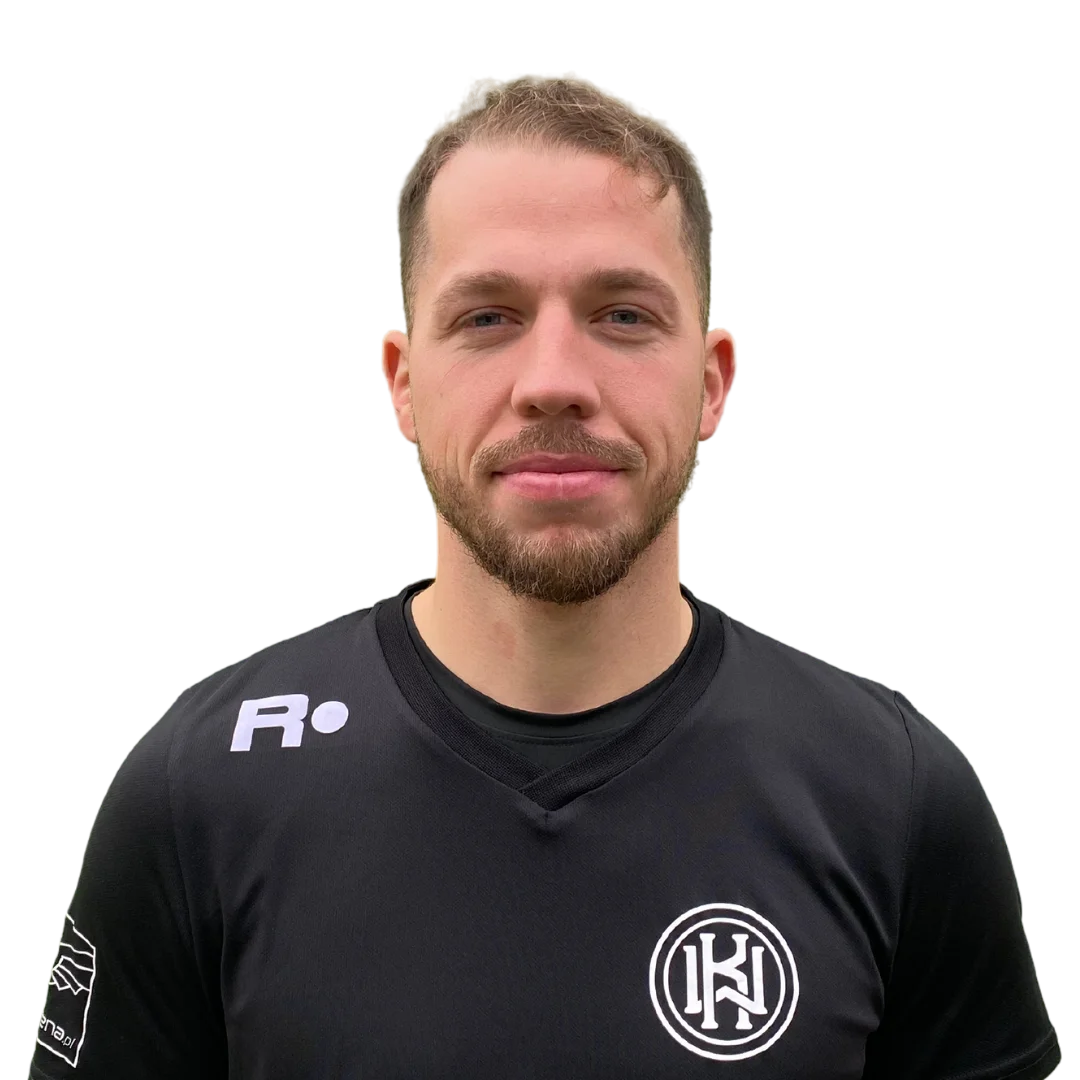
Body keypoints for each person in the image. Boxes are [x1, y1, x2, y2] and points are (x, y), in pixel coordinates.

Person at [30, 71, 1060, 1079]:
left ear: (712, 383)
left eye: (623, 315)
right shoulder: (198, 792)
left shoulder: (897, 795)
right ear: (401, 385)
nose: (555, 381)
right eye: (488, 316)